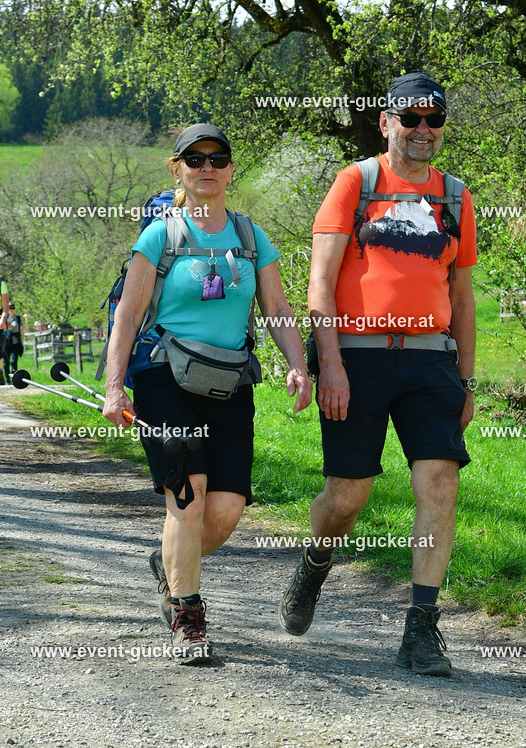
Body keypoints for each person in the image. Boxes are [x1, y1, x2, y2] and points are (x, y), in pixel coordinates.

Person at [278, 73, 477, 677]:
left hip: (430, 361)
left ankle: (421, 630)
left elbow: (463, 298)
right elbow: (319, 281)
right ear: (386, 122)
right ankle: (315, 563)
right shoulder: (356, 183)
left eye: (433, 119)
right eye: (410, 118)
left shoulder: (456, 196)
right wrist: (329, 363)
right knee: (346, 499)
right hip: (357, 358)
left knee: (439, 485)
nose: (422, 129)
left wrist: (467, 382)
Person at [103, 123, 312, 664]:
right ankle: (188, 618)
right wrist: (113, 387)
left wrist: (298, 365)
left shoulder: (249, 237)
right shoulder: (160, 235)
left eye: (217, 157)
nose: (207, 166)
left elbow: (278, 310)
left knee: (225, 512)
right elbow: (127, 316)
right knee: (189, 496)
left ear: (229, 169)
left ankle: (169, 561)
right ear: (177, 169)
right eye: (194, 158)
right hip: (163, 377)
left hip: (228, 382)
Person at [2, 303, 24, 381]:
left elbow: (23, 331)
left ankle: (14, 379)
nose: (11, 309)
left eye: (12, 308)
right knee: (6, 363)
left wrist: (27, 320)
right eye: (9, 308)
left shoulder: (18, 318)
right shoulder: (3, 319)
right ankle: (7, 380)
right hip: (6, 343)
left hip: (15, 343)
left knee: (13, 361)